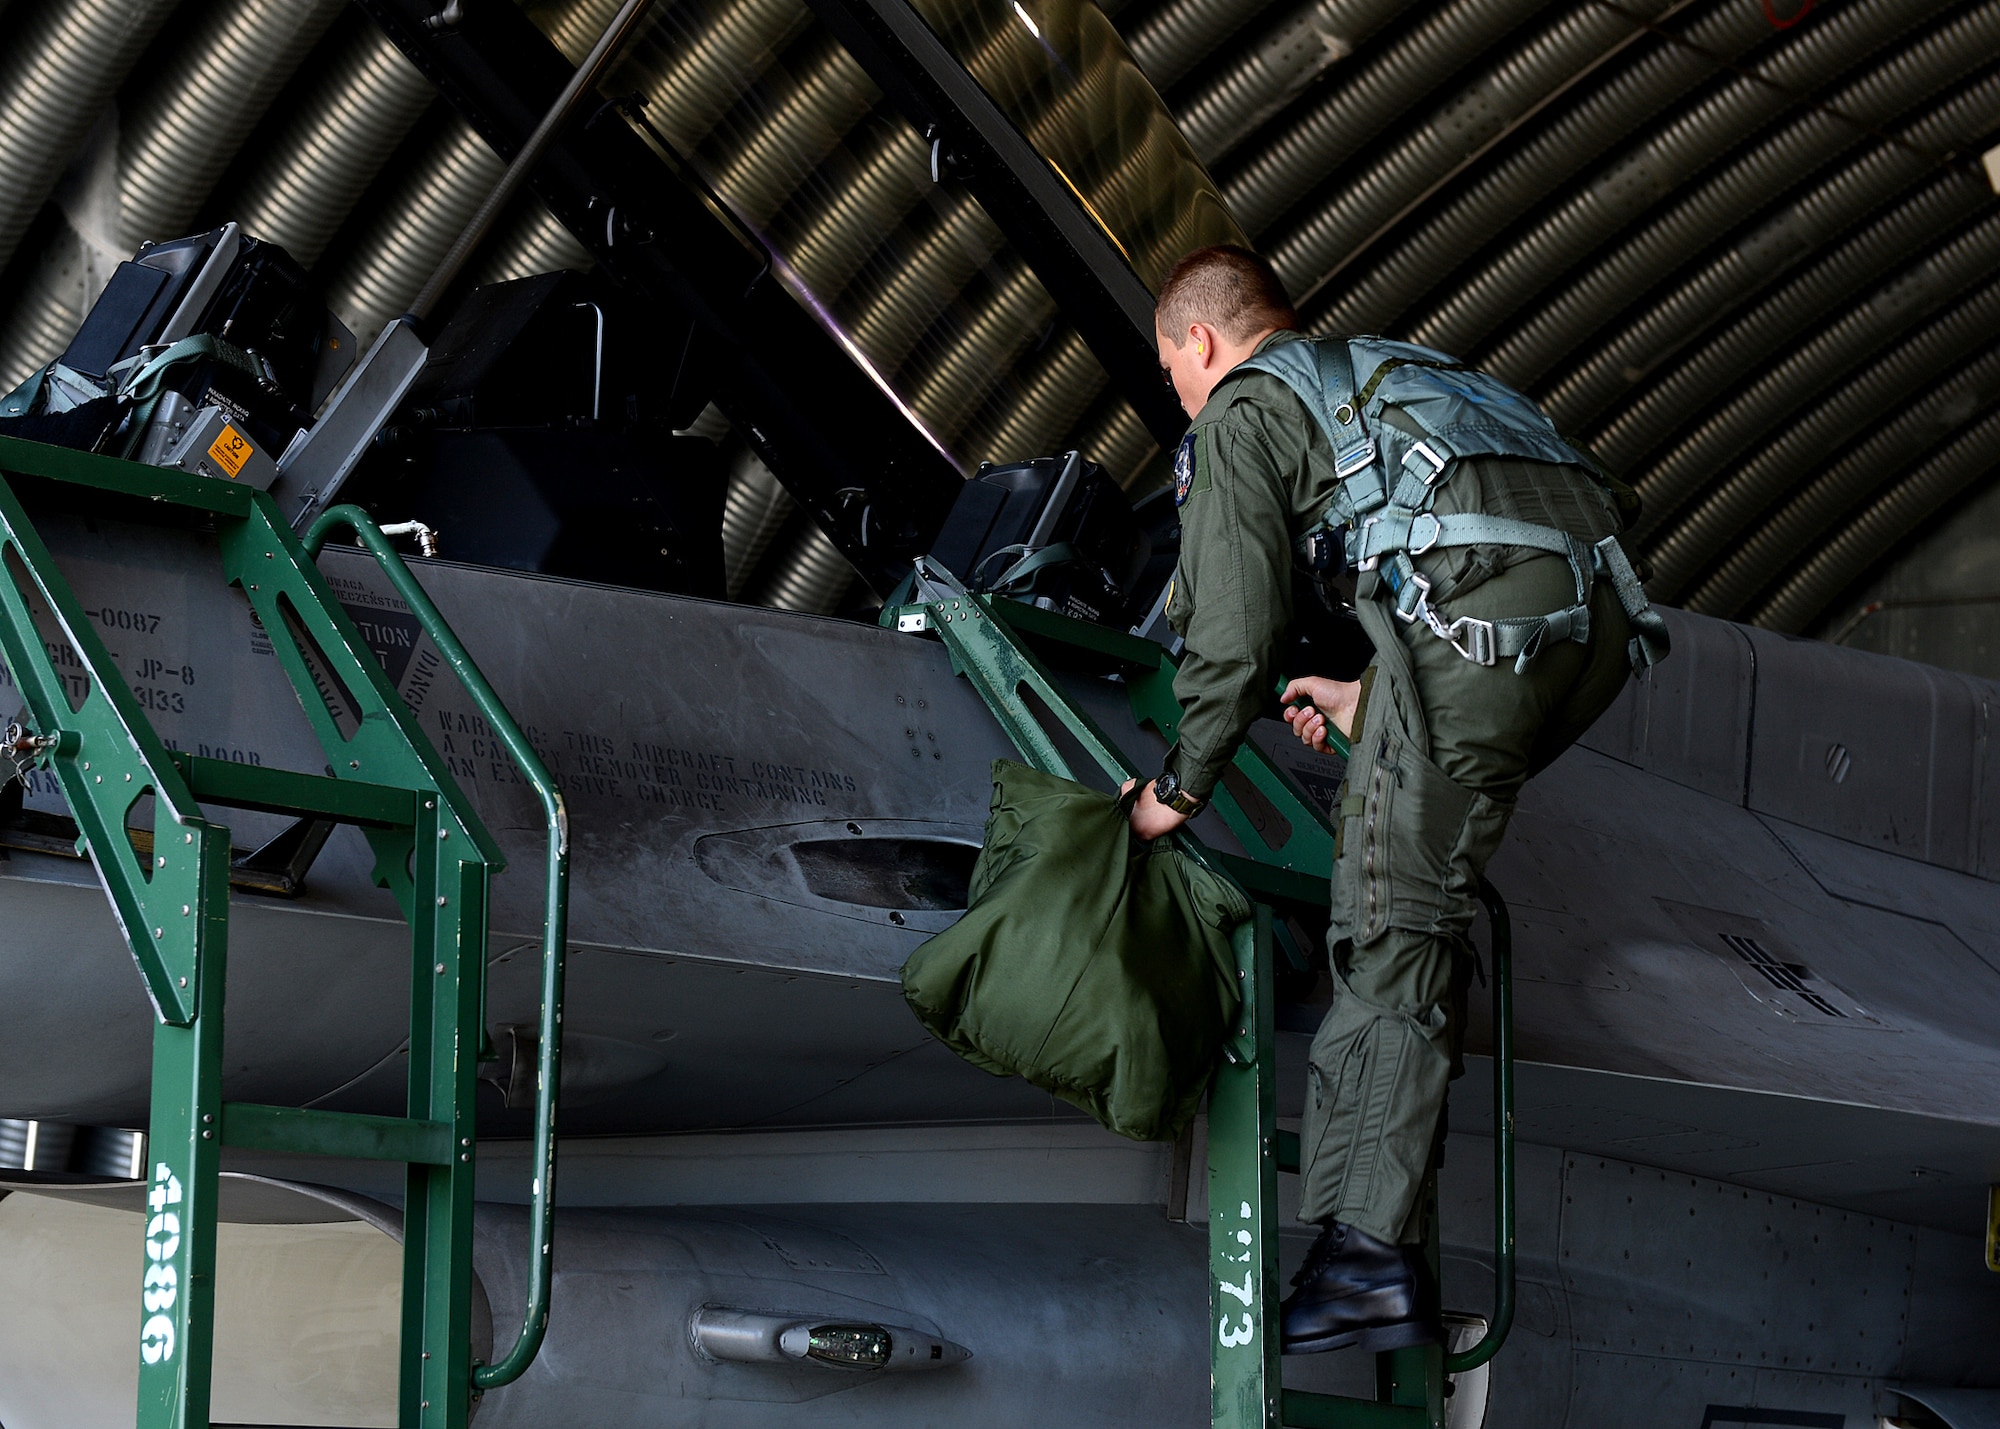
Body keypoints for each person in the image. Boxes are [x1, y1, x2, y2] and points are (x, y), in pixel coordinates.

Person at [1123, 245, 1666, 1355]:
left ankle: (1366, 1264)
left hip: (1484, 629)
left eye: (1174, 373)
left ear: (1201, 343)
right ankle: (1384, 1247)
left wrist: (1178, 788)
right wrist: (1368, 701)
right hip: (1591, 622)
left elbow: (1229, 631)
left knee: (1385, 916)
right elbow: (1471, 535)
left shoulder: (1239, 409)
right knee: (1416, 895)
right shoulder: (1382, 373)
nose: (1181, 396)